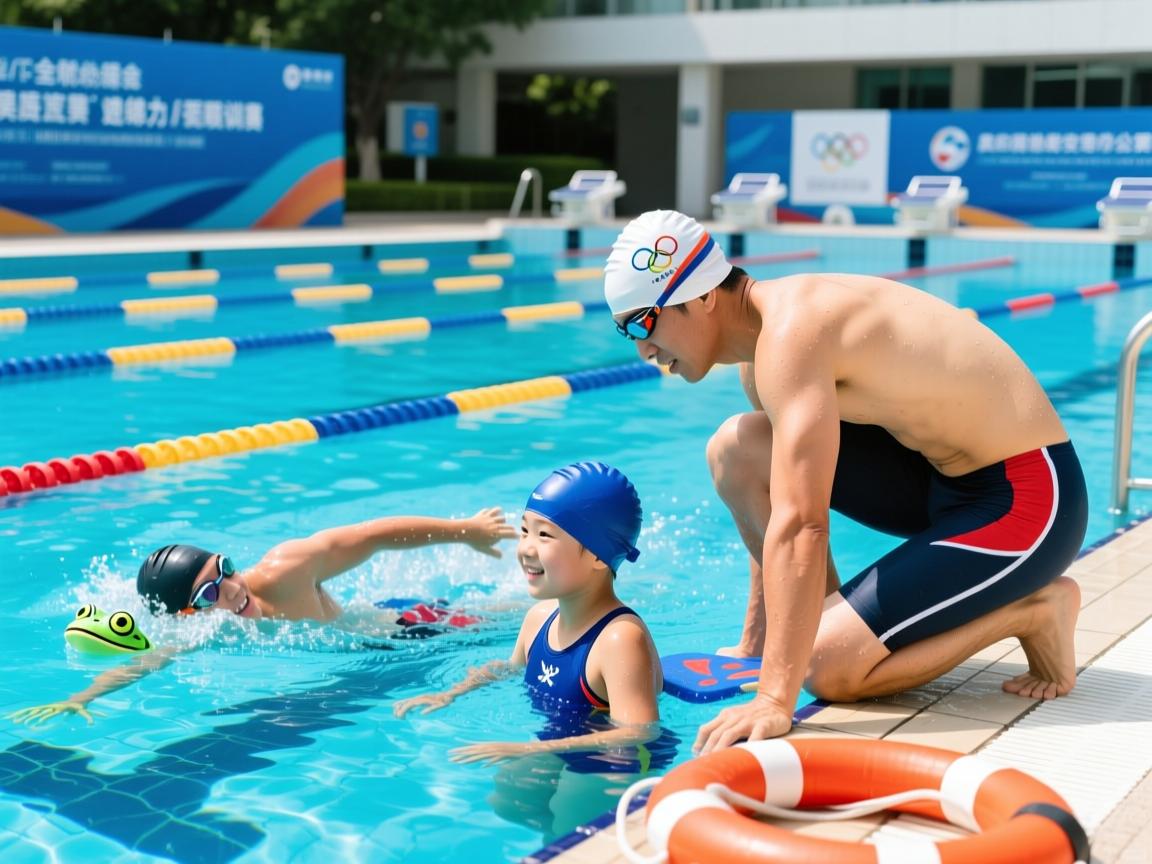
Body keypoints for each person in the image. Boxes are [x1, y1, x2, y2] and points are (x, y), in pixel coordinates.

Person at [604, 209, 1088, 754]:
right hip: (937, 481)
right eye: (627, 330)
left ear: (703, 296)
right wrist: (759, 643)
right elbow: (778, 497)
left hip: (1027, 498)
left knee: (824, 670)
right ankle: (821, 635)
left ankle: (1034, 610)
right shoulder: (761, 354)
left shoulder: (793, 332)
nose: (642, 347)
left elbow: (801, 525)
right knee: (737, 449)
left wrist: (774, 697)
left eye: (644, 322)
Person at [7, 508, 516, 726]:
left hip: (413, 628)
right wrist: (82, 697)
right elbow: (151, 661)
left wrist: (464, 529)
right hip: (379, 639)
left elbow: (372, 535)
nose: (231, 588)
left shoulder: (285, 568)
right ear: (188, 613)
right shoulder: (213, 627)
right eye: (210, 591)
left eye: (224, 568)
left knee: (519, 618)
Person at [394, 462, 665, 766]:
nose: (526, 549)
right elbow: (509, 669)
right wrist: (451, 694)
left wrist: (526, 750)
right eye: (525, 531)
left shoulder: (619, 639)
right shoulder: (539, 619)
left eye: (544, 535)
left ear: (597, 555)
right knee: (509, 796)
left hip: (611, 763)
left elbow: (637, 733)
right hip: (557, 747)